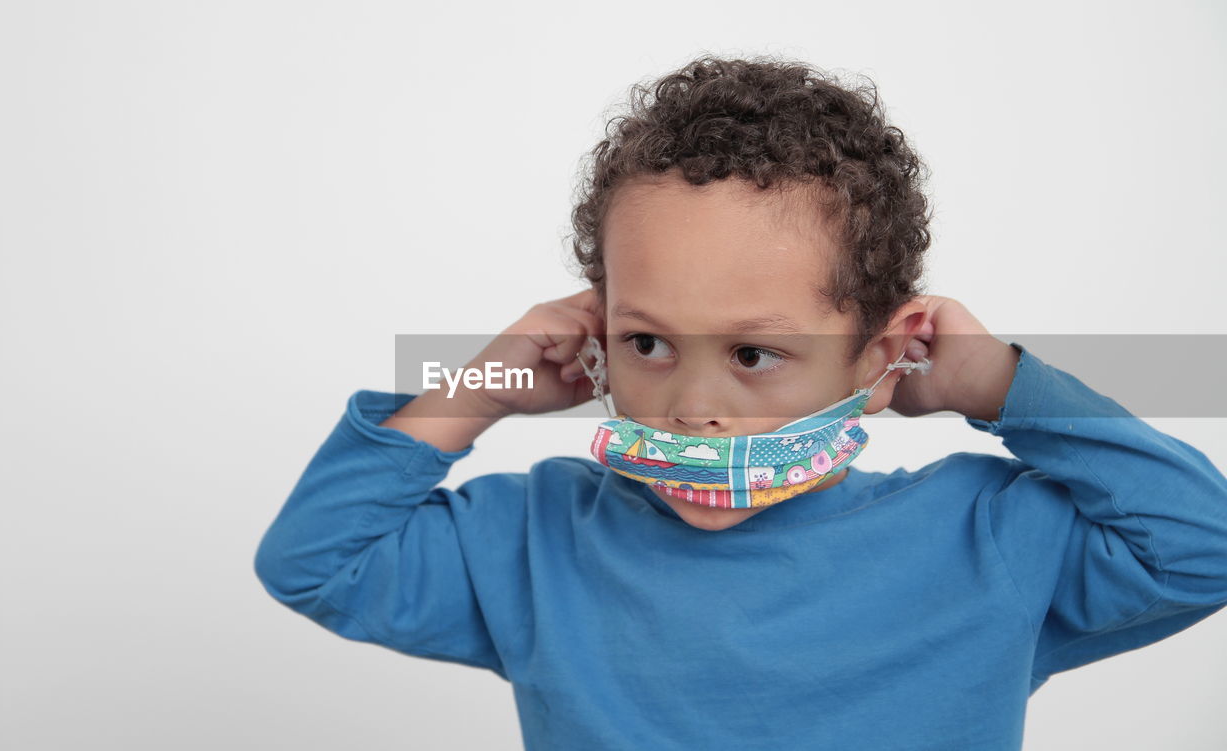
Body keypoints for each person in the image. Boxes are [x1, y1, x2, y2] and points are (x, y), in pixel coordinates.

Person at [253, 55, 1227, 750]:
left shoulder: (985, 540)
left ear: (875, 357)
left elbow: (1201, 543)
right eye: (646, 343)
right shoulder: (538, 539)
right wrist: (486, 383)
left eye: (754, 352)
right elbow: (317, 560)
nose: (689, 404)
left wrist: (1004, 383)